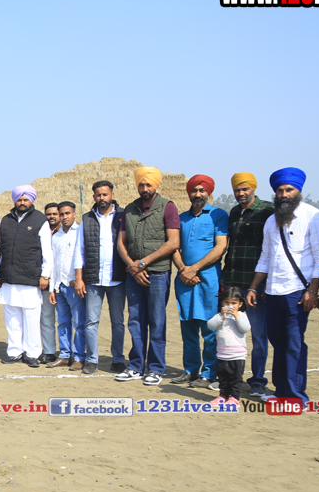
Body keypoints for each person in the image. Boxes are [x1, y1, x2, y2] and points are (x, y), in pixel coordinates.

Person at [246, 167, 319, 405]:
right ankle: (281, 391)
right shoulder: (271, 220)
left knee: (294, 343)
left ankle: (296, 395)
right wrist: (253, 287)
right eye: (280, 191)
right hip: (273, 291)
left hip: (298, 292)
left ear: (298, 191)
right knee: (278, 341)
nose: (284, 195)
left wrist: (313, 290)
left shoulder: (314, 217)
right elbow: (265, 257)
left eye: (289, 190)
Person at [115, 166, 181, 385]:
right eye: (141, 184)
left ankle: (155, 368)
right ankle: (135, 366)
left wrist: (143, 263)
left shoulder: (167, 207)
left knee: (157, 321)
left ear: (156, 185)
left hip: (158, 273)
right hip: (134, 274)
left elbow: (173, 242)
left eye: (148, 184)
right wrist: (133, 266)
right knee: (135, 320)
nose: (144, 188)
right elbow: (121, 243)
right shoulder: (130, 210)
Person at [171, 175, 229, 390]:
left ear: (209, 192)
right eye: (194, 190)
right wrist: (183, 270)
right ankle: (190, 370)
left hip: (209, 280)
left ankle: (209, 373)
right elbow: (174, 247)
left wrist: (194, 268)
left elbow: (220, 247)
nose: (197, 194)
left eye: (202, 190)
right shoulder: (181, 218)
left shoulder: (218, 215)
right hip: (184, 281)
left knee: (209, 329)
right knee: (188, 328)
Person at [220, 172, 274, 399]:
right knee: (229, 333)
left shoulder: (267, 211)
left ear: (253, 189)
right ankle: (230, 379)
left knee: (258, 336)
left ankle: (258, 381)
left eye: (245, 189)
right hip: (232, 284)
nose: (241, 193)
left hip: (256, 285)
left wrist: (262, 284)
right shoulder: (234, 212)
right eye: (237, 190)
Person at [0, 185, 53, 368]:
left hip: (30, 277)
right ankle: (14, 352)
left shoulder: (40, 220)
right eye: (19, 199)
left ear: (31, 200)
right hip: (9, 278)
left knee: (31, 319)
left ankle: (32, 354)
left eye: (25, 199)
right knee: (12, 319)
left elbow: (47, 251)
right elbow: (1, 250)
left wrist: (45, 275)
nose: (22, 202)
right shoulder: (6, 221)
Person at [75, 180, 126, 375]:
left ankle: (118, 359)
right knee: (91, 322)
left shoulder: (122, 216)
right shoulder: (87, 219)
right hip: (93, 279)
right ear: (94, 197)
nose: (102, 198)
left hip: (117, 278)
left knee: (118, 321)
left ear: (112, 195)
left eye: (105, 194)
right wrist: (79, 278)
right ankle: (92, 360)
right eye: (98, 195)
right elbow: (79, 251)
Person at [48, 201, 86, 370]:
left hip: (74, 285)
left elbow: (83, 258)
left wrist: (79, 279)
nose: (64, 217)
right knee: (63, 322)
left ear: (74, 214)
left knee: (79, 323)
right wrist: (52, 288)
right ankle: (64, 355)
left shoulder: (80, 233)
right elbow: (53, 264)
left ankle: (79, 356)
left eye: (67, 213)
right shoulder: (56, 237)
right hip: (59, 286)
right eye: (61, 214)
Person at [207, 287, 250, 407]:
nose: (230, 306)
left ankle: (234, 397)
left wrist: (236, 316)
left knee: (235, 378)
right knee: (223, 378)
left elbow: (245, 328)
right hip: (222, 354)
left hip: (237, 355)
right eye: (227, 302)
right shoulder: (220, 316)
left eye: (234, 303)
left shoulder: (241, 315)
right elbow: (210, 325)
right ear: (222, 302)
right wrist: (221, 316)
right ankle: (223, 395)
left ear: (240, 304)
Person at [39, 202, 62, 364]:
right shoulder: (42, 231)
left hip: (64, 283)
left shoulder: (69, 232)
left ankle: (68, 352)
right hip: (47, 282)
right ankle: (49, 352)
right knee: (46, 318)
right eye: (49, 214)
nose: (52, 216)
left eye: (55, 214)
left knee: (67, 320)